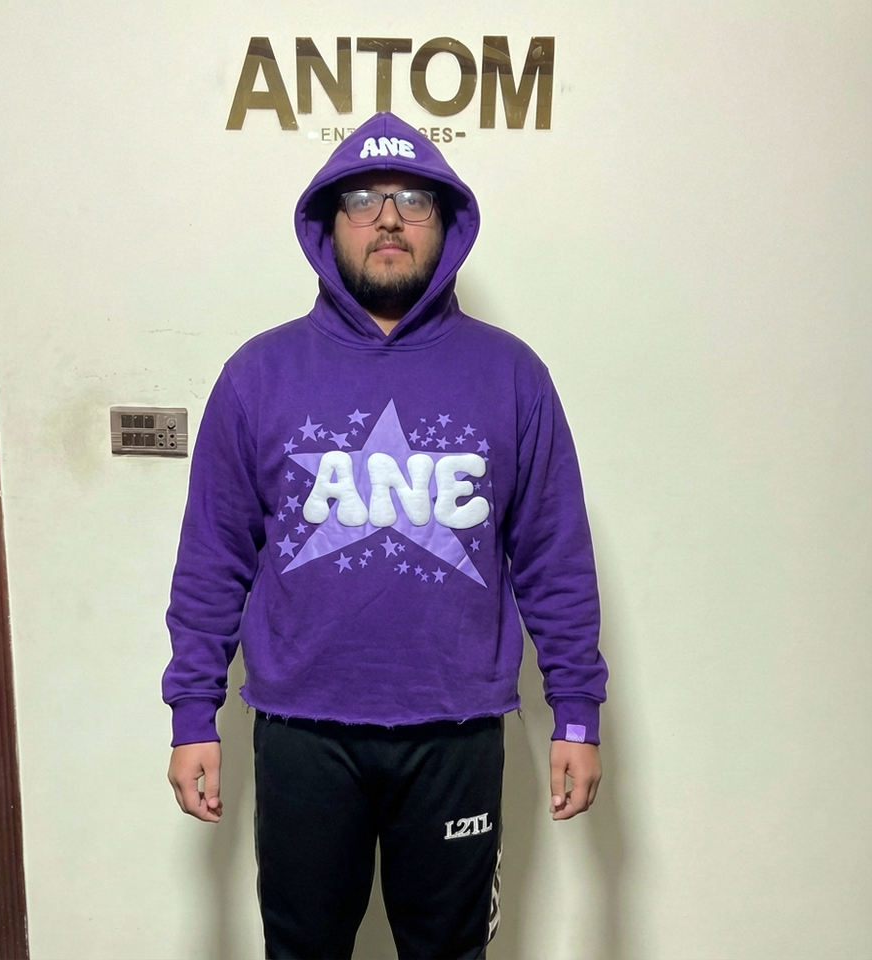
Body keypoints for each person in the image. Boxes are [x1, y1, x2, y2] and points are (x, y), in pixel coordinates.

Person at [164, 111, 608, 960]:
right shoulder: (258, 374)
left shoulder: (513, 375)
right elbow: (212, 559)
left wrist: (577, 715)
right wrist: (192, 713)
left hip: (456, 731)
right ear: (329, 223)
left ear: (447, 222)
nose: (390, 219)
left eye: (414, 200)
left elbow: (555, 556)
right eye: (364, 200)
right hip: (302, 732)